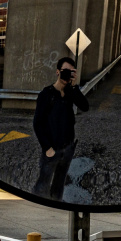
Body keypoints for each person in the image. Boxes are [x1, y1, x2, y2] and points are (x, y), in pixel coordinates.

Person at [32, 57, 89, 200]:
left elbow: (85, 107)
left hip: (68, 148)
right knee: (42, 185)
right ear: (57, 72)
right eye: (64, 71)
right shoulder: (47, 94)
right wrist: (47, 149)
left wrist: (75, 86)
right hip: (52, 150)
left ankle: (56, 207)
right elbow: (37, 123)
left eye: (70, 72)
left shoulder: (71, 92)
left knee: (59, 184)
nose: (66, 75)